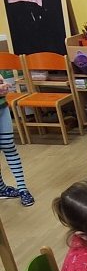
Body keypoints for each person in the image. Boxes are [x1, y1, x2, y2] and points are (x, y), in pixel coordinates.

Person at [0, 75, 34, 206]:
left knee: (8, 145)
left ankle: (22, 188)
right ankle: (1, 188)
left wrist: (3, 86)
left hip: (2, 107)